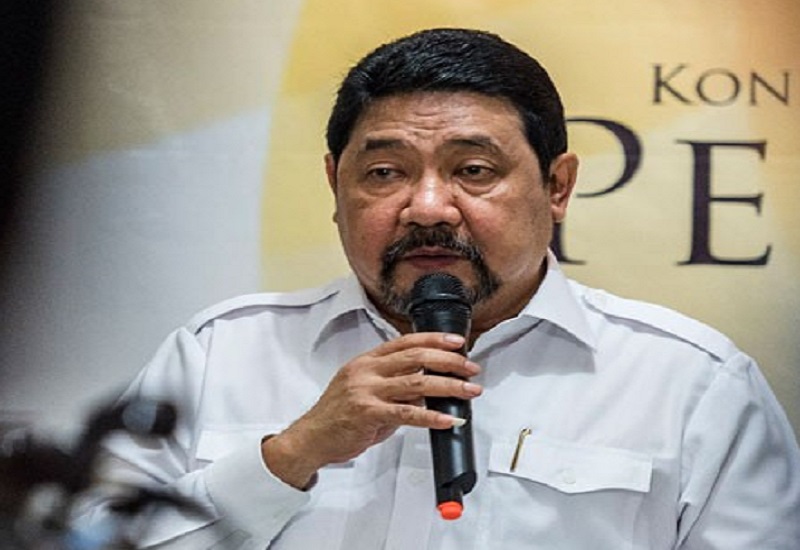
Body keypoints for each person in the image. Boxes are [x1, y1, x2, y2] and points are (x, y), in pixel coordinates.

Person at [81, 28, 800, 549]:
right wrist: (290, 455)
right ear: (335, 185)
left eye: (473, 171)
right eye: (385, 173)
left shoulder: (691, 384)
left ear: (557, 186)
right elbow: (88, 537)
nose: (427, 207)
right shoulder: (221, 352)